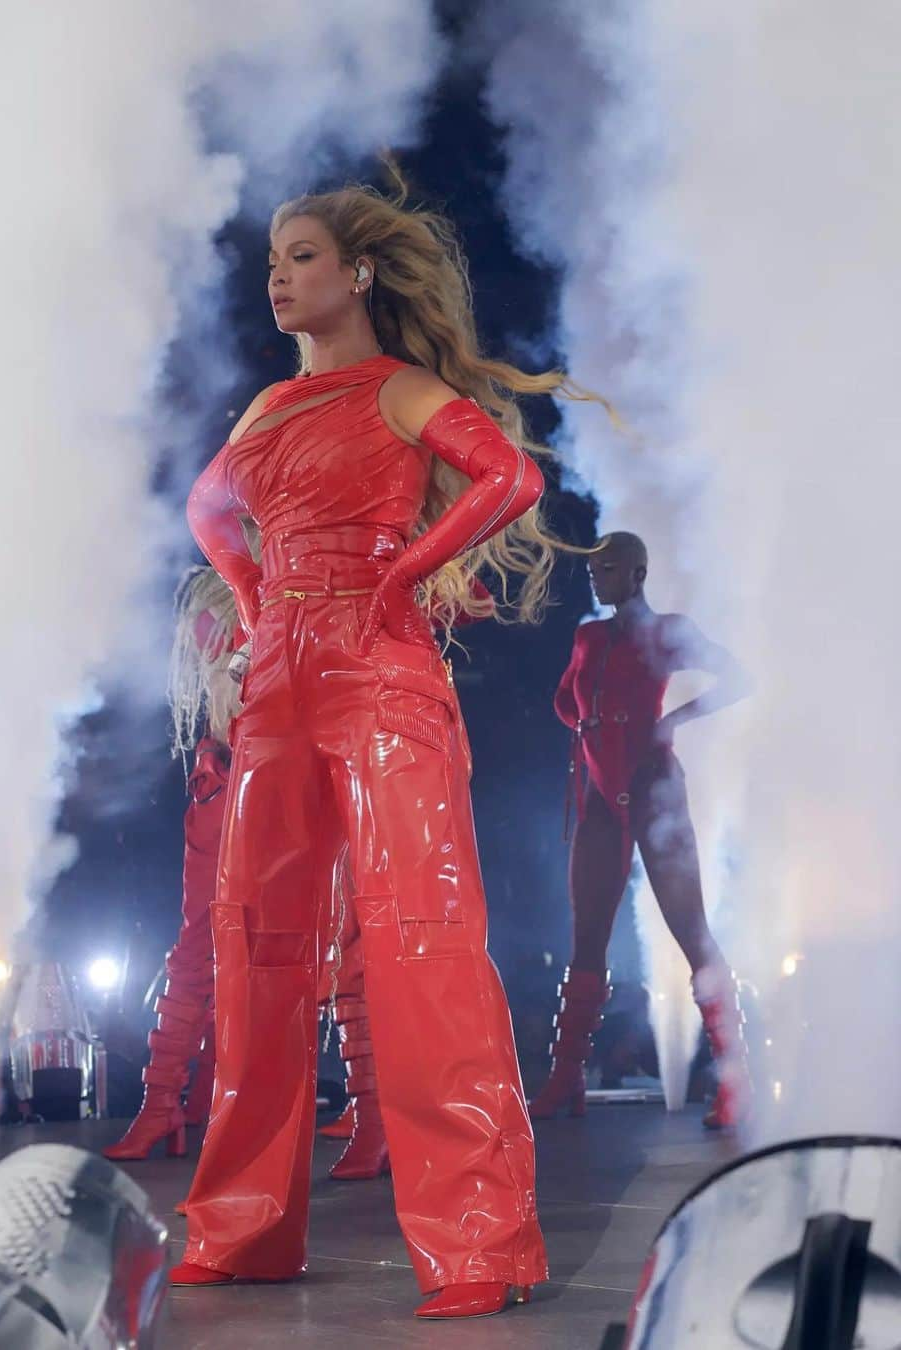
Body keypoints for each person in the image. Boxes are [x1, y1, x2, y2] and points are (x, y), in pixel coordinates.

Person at [172, 179, 604, 1320]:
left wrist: (403, 573)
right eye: (274, 258)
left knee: (423, 937)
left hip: (381, 671)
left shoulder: (401, 390)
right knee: (257, 948)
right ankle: (242, 1228)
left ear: (358, 274)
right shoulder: (265, 409)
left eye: (302, 256)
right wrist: (256, 594)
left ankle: (477, 1244)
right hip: (278, 685)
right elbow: (209, 513)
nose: (280, 275)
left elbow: (513, 478)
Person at [529, 531, 753, 1128]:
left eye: (607, 567)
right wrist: (592, 731)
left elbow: (737, 677)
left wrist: (668, 722)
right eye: (593, 567)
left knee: (691, 930)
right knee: (587, 940)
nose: (596, 576)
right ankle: (566, 1076)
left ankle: (737, 1082)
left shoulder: (666, 631)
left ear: (637, 573)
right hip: (601, 797)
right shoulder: (588, 636)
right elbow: (562, 701)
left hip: (655, 791)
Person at [101, 568, 236, 1160]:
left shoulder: (301, 584)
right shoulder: (222, 601)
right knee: (198, 953)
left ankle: (195, 1103)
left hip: (282, 784)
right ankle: (164, 1107)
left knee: (307, 954)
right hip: (233, 783)